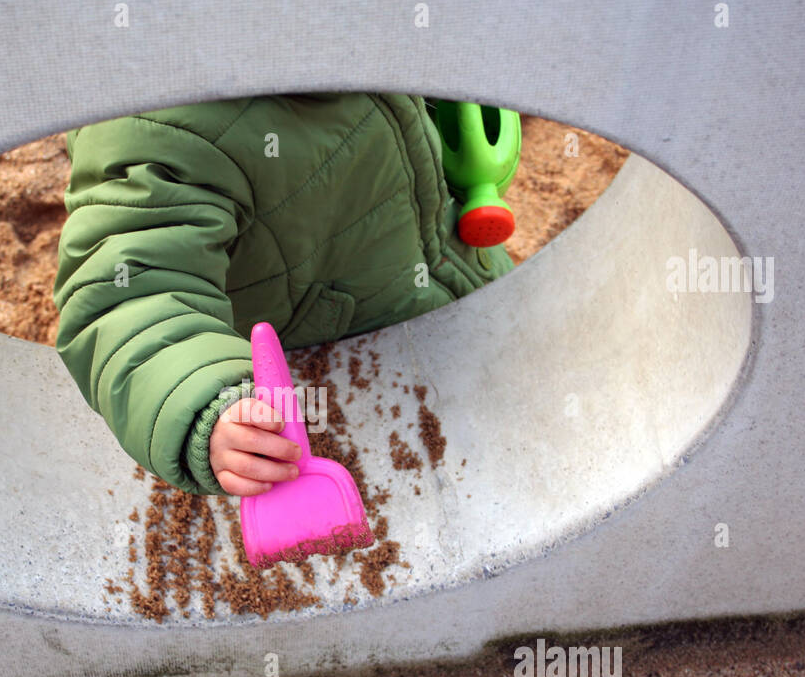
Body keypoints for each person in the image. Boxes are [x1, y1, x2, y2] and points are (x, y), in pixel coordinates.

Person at [53, 91, 513, 497]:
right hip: (329, 381)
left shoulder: (365, 32)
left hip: (446, 278)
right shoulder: (157, 128)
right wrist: (205, 407)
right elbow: (130, 296)